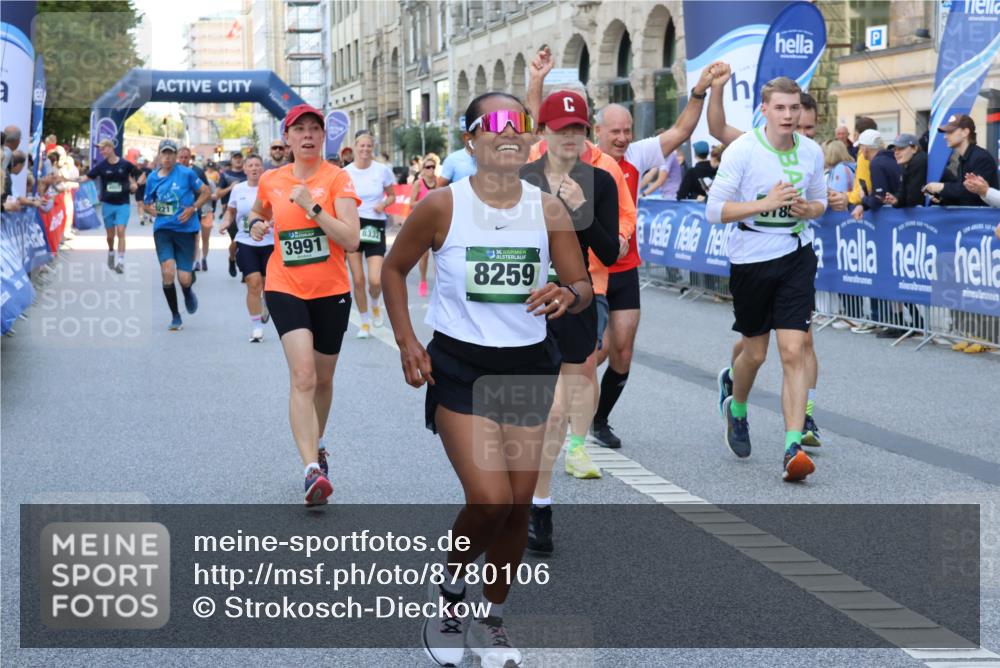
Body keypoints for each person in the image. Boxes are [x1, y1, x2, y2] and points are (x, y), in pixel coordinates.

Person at [381, 91, 592, 668]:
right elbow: (393, 269)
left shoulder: (548, 209)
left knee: (520, 508)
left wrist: (565, 294)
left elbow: (584, 288)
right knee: (489, 498)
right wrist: (406, 341)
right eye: (494, 122)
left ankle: (491, 620)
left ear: (530, 140)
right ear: (470, 137)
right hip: (460, 367)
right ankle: (450, 593)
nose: (509, 132)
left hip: (527, 366)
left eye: (519, 123)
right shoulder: (441, 206)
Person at [527, 46, 719, 449]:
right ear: (596, 130)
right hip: (578, 273)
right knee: (586, 356)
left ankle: (596, 420)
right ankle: (568, 425)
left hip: (618, 265)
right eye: (614, 131)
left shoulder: (624, 160)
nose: (622, 137)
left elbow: (679, 136)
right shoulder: (547, 155)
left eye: (626, 130)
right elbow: (539, 129)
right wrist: (537, 81)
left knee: (621, 351)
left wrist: (618, 237)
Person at [705, 76, 828, 483]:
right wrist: (767, 203)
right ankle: (736, 407)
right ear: (765, 110)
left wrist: (809, 209)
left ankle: (793, 446)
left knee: (793, 350)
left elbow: (820, 201)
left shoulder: (810, 151)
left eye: (794, 108)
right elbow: (714, 210)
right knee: (755, 355)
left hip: (796, 254)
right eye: (781, 108)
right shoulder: (743, 149)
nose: (789, 115)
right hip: (752, 257)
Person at [519, 89, 621, 555]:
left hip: (574, 298)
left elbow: (607, 251)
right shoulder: (520, 178)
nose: (570, 138)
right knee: (525, 409)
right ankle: (519, 494)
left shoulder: (599, 181)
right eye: (561, 130)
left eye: (578, 129)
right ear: (543, 133)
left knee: (556, 410)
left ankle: (541, 505)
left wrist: (579, 209)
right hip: (523, 301)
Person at [247, 104, 361, 506]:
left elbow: (351, 240)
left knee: (325, 381)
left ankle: (319, 442)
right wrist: (256, 225)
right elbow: (256, 215)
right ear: (288, 138)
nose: (309, 135)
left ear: (324, 137)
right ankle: (311, 468)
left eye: (316, 129)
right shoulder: (272, 180)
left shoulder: (338, 179)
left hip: (331, 290)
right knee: (304, 377)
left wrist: (313, 208)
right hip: (285, 286)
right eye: (301, 130)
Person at [143, 139, 211, 331]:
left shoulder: (186, 173)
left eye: (171, 153)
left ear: (175, 155)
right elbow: (146, 203)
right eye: (164, 153)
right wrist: (152, 211)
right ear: (159, 155)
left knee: (184, 278)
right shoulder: (152, 178)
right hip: (163, 230)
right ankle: (175, 315)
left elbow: (206, 192)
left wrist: (192, 208)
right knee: (167, 272)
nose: (167, 157)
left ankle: (187, 291)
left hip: (185, 231)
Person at [344, 130, 396, 338]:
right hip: (353, 225)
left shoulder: (382, 170)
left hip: (374, 225)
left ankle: (375, 303)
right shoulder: (345, 172)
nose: (365, 150)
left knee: (375, 280)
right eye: (361, 146)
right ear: (355, 147)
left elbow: (392, 195)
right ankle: (364, 322)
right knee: (358, 279)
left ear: (372, 148)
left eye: (369, 146)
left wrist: (383, 204)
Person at [224, 154, 273, 342]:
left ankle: (266, 302)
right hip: (246, 241)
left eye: (257, 165)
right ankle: (257, 327)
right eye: (250, 165)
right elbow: (231, 211)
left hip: (269, 242)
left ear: (263, 169)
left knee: (267, 284)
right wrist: (226, 222)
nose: (254, 168)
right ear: (244, 169)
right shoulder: (238, 189)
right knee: (253, 283)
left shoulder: (270, 188)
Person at [76, 139, 140, 272]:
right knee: (110, 236)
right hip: (108, 205)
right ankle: (111, 251)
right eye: (100, 149)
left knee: (121, 232)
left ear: (111, 148)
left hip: (123, 204)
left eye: (103, 148)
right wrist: (68, 179)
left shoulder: (125, 164)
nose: (101, 151)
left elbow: (140, 175)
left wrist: (136, 185)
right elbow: (86, 178)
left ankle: (121, 262)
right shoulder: (101, 166)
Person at [924, 114, 999, 206]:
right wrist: (942, 198)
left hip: (984, 219)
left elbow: (973, 191)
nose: (945, 136)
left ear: (965, 132)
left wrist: (942, 187)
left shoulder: (981, 158)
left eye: (950, 132)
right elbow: (964, 197)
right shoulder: (964, 159)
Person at [178, 147, 215, 272]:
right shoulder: (174, 171)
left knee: (202, 236)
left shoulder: (198, 171)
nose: (183, 160)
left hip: (198, 207)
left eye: (186, 157)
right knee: (193, 236)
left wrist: (206, 207)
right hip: (182, 209)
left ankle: (202, 258)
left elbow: (207, 191)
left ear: (190, 158)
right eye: (181, 157)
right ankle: (195, 260)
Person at [412, 152, 441, 298]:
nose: (430, 170)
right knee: (424, 257)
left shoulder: (440, 182)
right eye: (427, 167)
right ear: (423, 169)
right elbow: (411, 204)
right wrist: (426, 200)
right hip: (423, 224)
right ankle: (423, 280)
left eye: (433, 167)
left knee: (440, 256)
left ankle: (439, 284)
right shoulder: (419, 183)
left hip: (439, 223)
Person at [216, 151, 248, 275]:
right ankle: (232, 259)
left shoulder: (247, 173)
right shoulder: (225, 175)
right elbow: (218, 194)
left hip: (246, 212)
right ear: (231, 160)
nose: (238, 160)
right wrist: (230, 187)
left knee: (247, 241)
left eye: (240, 157)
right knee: (236, 242)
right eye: (235, 158)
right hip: (231, 213)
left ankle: (246, 270)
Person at [886, 134, 926, 208]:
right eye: (895, 149)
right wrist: (896, 200)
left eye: (901, 148)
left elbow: (913, 199)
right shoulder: (907, 164)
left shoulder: (919, 161)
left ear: (914, 149)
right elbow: (904, 193)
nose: (896, 153)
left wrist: (900, 201)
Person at [133, 156, 151, 225]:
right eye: (139, 163)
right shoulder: (134, 170)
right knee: (140, 203)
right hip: (138, 189)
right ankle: (141, 219)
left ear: (144, 163)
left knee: (145, 204)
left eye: (141, 163)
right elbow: (132, 178)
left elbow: (151, 179)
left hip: (146, 189)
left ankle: (147, 216)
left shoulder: (147, 170)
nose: (140, 165)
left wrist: (145, 181)